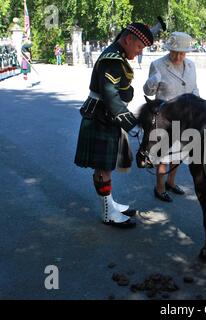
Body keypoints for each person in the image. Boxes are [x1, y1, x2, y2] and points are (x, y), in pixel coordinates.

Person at [74, 22, 155, 228]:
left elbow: (119, 91)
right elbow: (111, 97)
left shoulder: (117, 53)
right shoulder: (112, 59)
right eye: (139, 47)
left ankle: (109, 203)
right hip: (102, 115)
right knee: (103, 169)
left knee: (106, 166)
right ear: (128, 40)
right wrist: (132, 124)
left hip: (106, 115)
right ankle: (108, 213)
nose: (138, 53)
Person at [143, 31, 199, 203]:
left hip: (185, 117)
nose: (179, 56)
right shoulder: (158, 65)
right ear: (169, 50)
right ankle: (159, 188)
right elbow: (147, 91)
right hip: (165, 118)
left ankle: (171, 182)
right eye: (176, 52)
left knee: (179, 154)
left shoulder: (191, 66)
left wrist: (197, 102)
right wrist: (153, 81)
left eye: (183, 53)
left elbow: (194, 88)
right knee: (163, 156)